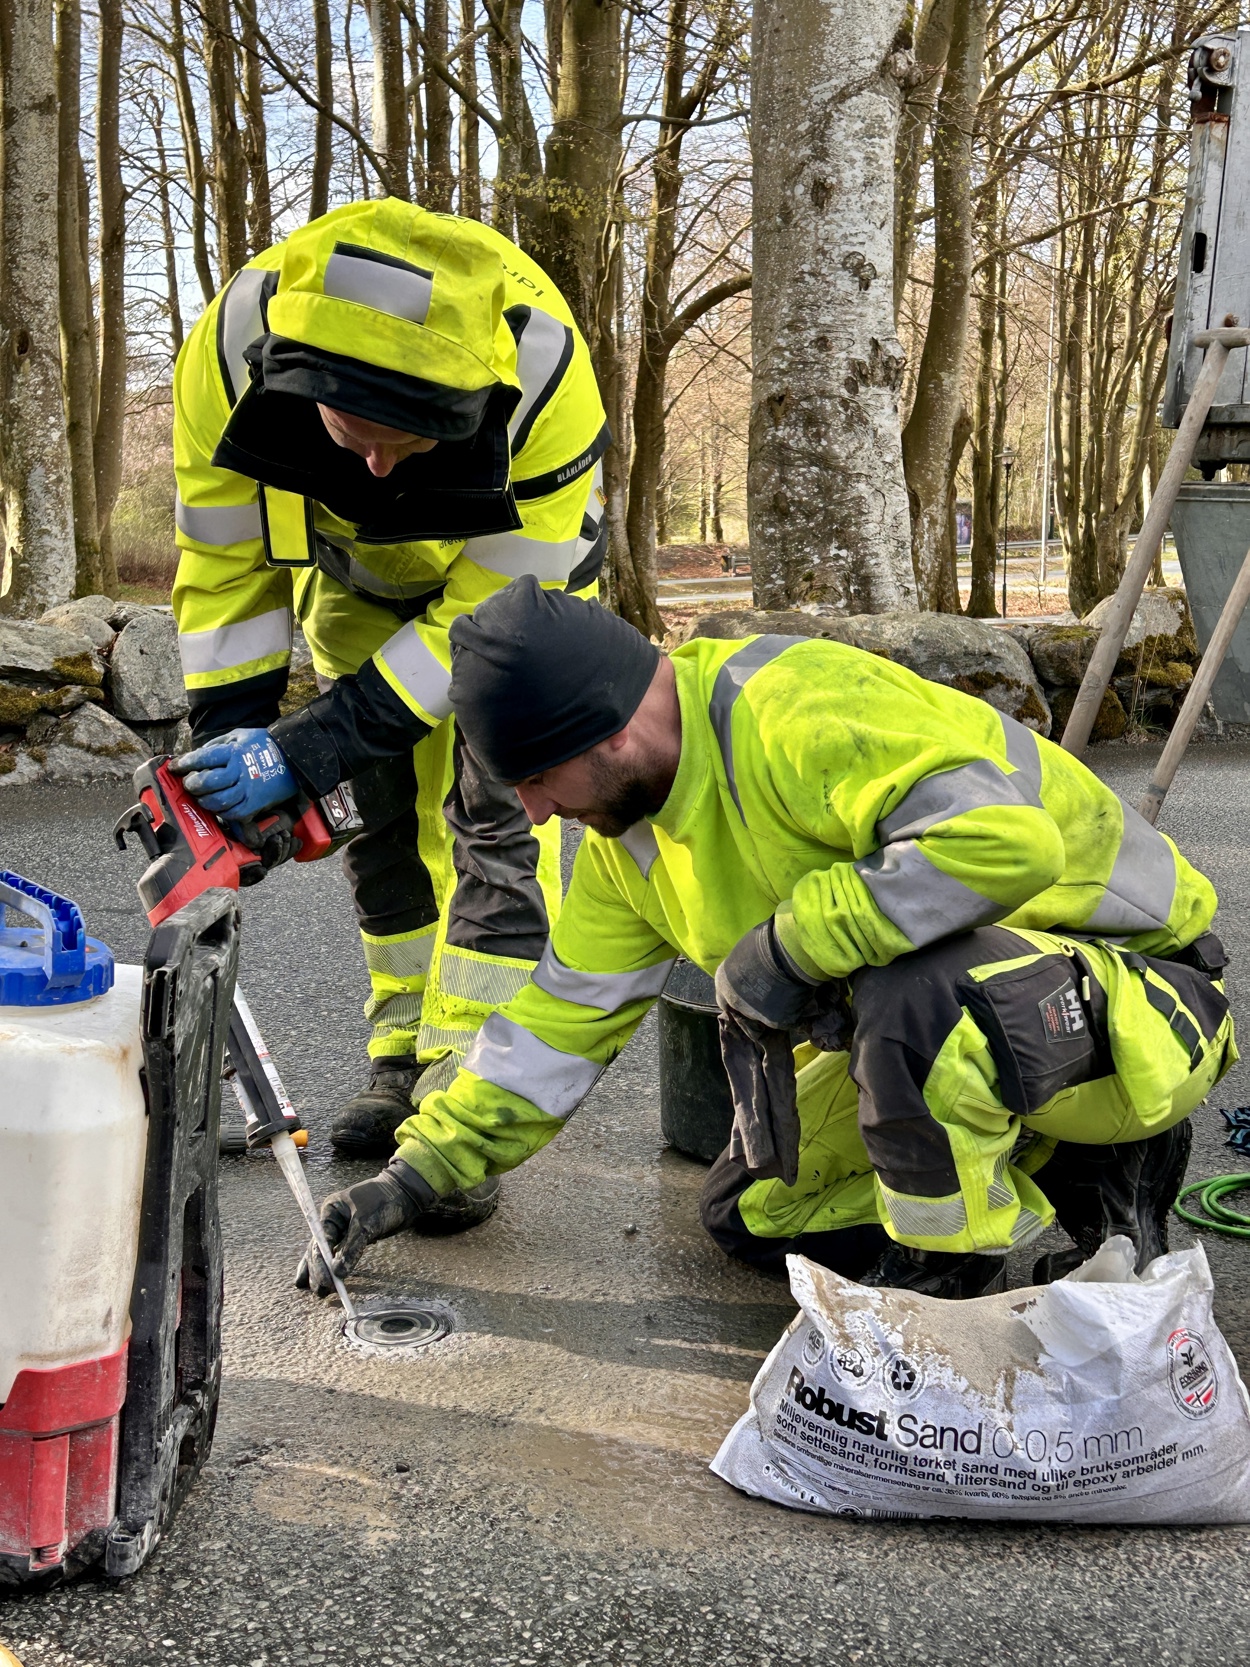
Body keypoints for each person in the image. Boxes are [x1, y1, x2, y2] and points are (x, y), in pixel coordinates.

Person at [296, 579, 1236, 1300]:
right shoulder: (628, 844)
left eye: (539, 779)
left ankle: (955, 1294)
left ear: (610, 731)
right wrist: (413, 1178)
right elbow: (553, 1029)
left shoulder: (790, 709)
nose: (536, 811)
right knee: (755, 1211)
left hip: (1145, 1005)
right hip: (1000, 1026)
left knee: (919, 996)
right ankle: (1038, 1185)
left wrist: (788, 947)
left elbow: (1006, 842)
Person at [168, 199, 609, 1188]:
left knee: (495, 824)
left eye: (408, 440)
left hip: (510, 601)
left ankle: (469, 1097)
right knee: (373, 824)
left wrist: (318, 736)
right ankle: (399, 1057)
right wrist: (233, 736)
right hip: (356, 586)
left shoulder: (542, 374)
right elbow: (226, 559)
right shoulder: (233, 348)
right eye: (350, 431)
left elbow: (486, 619)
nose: (372, 462)